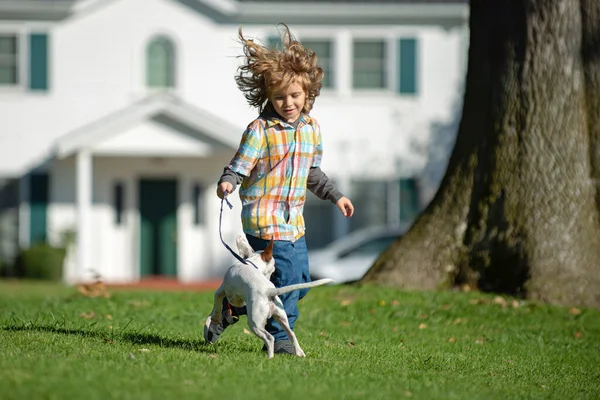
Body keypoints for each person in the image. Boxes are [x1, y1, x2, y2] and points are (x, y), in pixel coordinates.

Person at [204, 24, 354, 355]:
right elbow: (238, 165)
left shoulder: (312, 129)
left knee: (300, 282)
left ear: (308, 93)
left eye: (295, 95)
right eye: (280, 97)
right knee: (286, 281)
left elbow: (311, 173)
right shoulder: (260, 130)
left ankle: (232, 308)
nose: (288, 102)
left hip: (293, 223)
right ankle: (281, 339)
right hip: (263, 220)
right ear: (268, 97)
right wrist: (228, 182)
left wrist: (336, 196)